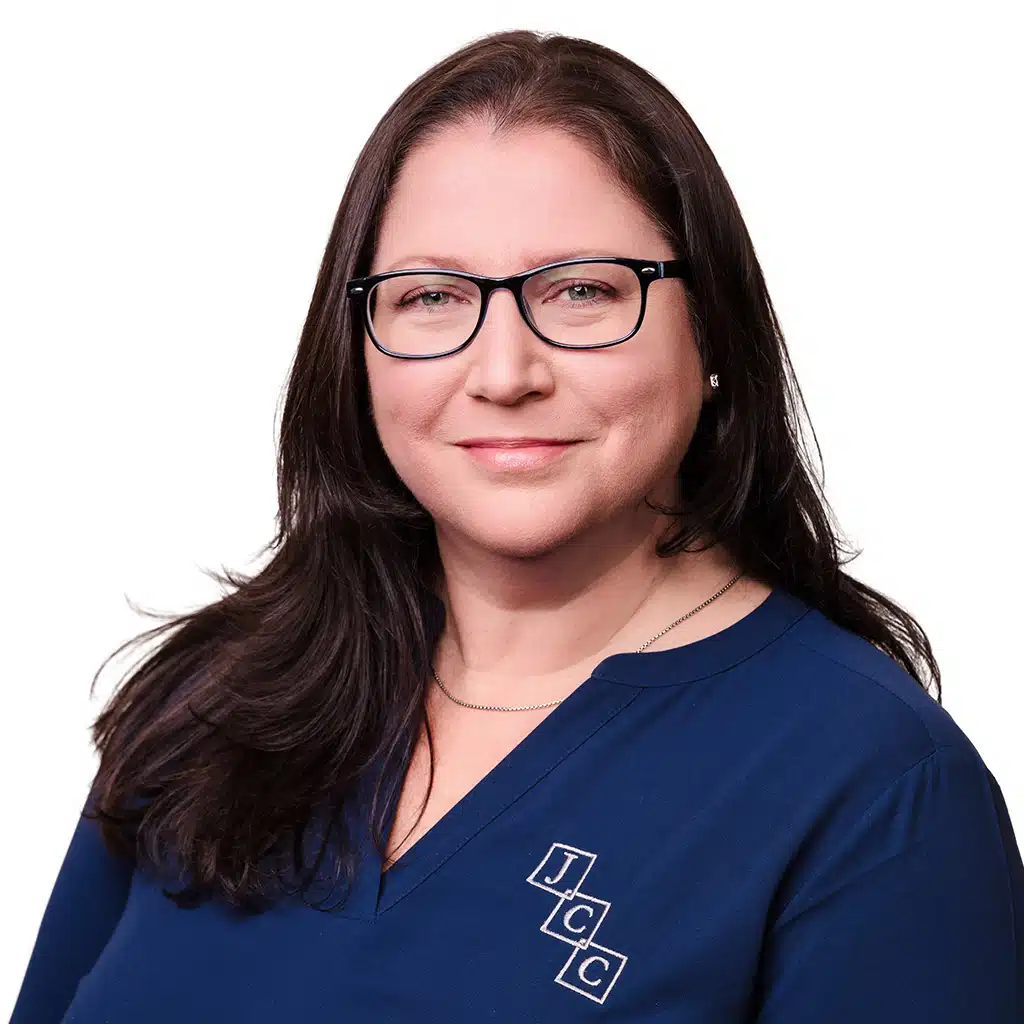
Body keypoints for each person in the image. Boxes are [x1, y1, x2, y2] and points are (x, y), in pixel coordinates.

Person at [12, 28, 1022, 1023]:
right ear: (358, 346)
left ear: (711, 323)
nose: (503, 373)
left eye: (581, 291)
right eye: (431, 297)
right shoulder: (214, 702)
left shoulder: (876, 785)